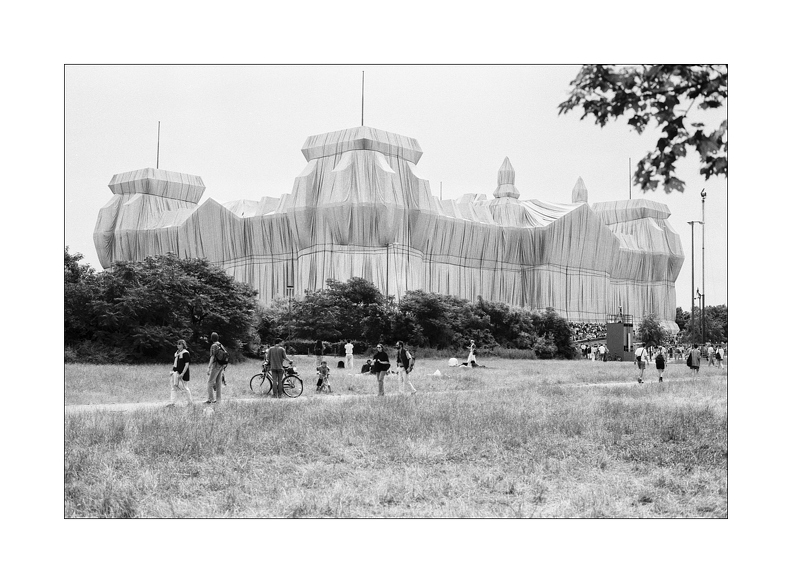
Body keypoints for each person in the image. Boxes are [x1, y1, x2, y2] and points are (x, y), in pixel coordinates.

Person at [167, 339, 194, 407]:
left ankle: (190, 402)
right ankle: (172, 403)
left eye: (179, 344)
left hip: (182, 373)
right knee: (174, 387)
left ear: (183, 345)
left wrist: (182, 373)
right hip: (175, 372)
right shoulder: (176, 353)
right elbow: (175, 363)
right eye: (177, 344)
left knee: (185, 387)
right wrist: (172, 371)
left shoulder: (185, 353)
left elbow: (187, 364)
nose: (178, 345)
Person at [206, 332, 225, 404]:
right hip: (221, 365)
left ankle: (211, 399)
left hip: (216, 365)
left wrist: (209, 367)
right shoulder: (220, 345)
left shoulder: (214, 345)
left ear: (211, 338)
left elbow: (212, 356)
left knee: (210, 382)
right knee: (218, 382)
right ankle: (218, 400)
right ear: (218, 338)